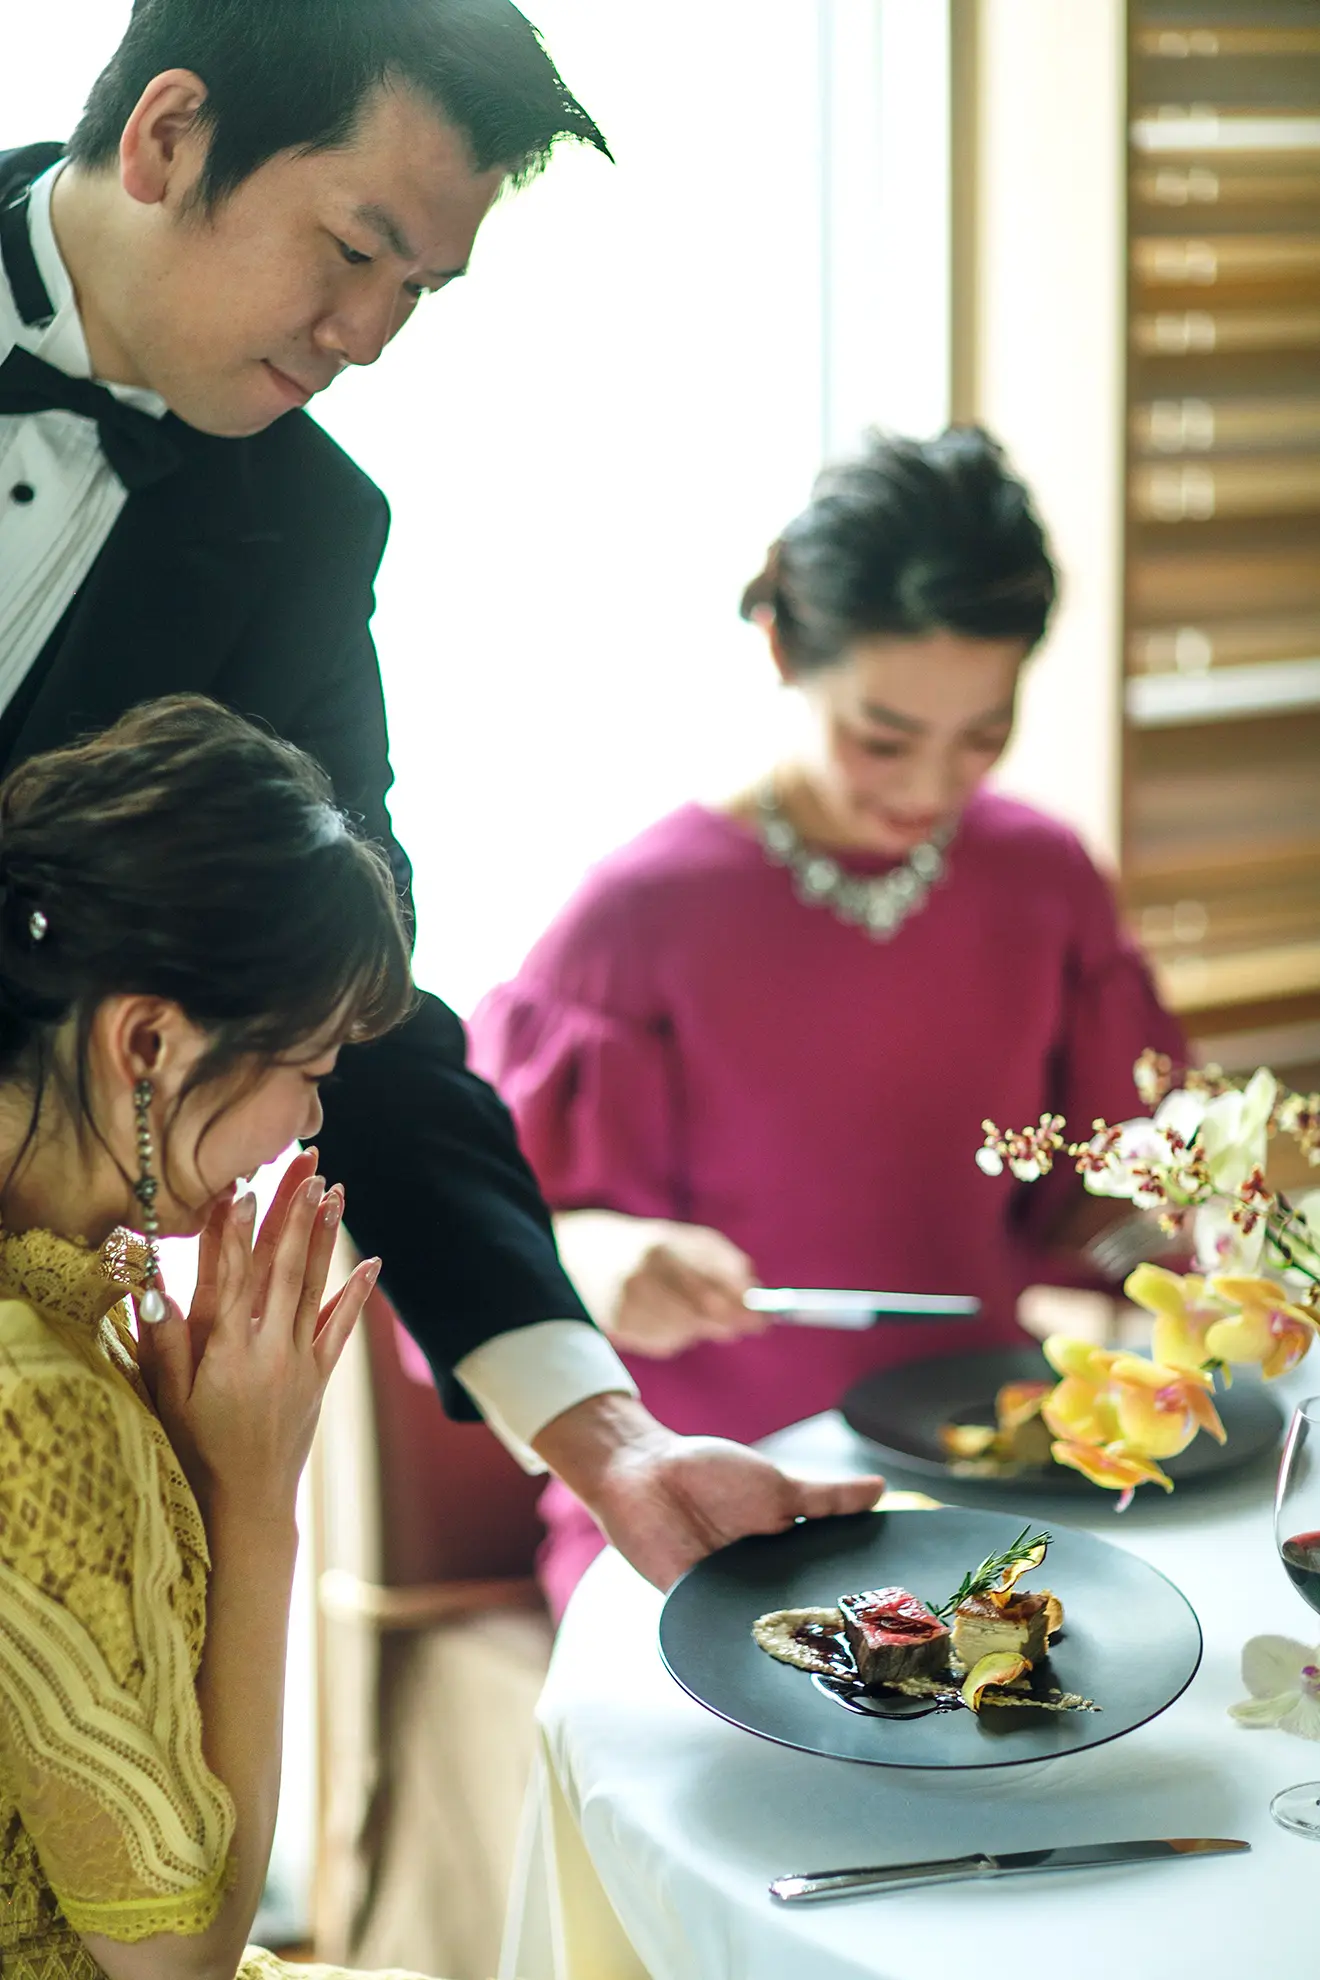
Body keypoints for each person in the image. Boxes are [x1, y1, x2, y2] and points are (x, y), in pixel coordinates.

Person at [0, 0, 881, 1594]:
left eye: (418, 290)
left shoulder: (308, 535)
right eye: (354, 248)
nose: (369, 335)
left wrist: (607, 1439)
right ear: (169, 136)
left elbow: (361, 996)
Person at [468, 427, 1189, 1618]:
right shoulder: (642, 917)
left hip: (982, 1481)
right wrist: (602, 1262)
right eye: (883, 738)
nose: (926, 790)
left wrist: (1166, 1264)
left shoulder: (1046, 879)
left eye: (983, 737)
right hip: (705, 1500)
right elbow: (500, 1234)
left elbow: (1093, 1198)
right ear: (784, 651)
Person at [0, 693, 452, 1979]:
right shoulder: (33, 1400)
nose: (308, 1126)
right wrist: (253, 1500)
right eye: (306, 1069)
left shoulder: (72, 1292)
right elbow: (177, 1958)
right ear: (147, 1040)